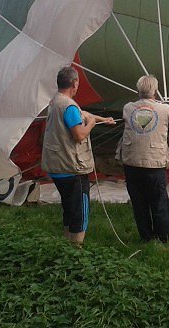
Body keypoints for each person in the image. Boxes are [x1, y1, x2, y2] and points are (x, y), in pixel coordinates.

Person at [41, 66, 115, 246]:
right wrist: (91, 124)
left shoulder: (56, 101)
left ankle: (67, 244)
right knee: (80, 211)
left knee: (69, 207)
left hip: (57, 166)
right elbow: (79, 134)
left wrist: (103, 119)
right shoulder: (69, 106)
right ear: (74, 83)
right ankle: (77, 249)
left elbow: (83, 114)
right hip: (72, 168)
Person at [117, 75, 169, 243]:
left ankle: (146, 237)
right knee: (159, 202)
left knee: (139, 203)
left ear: (138, 90)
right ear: (155, 91)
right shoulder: (165, 110)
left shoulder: (128, 108)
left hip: (132, 164)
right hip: (154, 164)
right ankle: (163, 238)